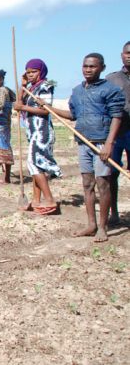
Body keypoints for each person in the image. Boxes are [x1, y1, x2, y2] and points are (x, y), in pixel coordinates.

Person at [41, 53, 124, 242]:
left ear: (102, 68)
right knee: (87, 184)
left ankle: (103, 227)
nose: (88, 69)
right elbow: (72, 115)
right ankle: (91, 224)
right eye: (85, 66)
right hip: (83, 142)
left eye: (93, 66)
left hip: (101, 142)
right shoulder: (77, 91)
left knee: (103, 184)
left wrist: (109, 144)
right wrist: (49, 108)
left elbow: (117, 117)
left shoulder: (110, 90)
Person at [14, 59, 61, 215]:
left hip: (42, 131)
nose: (31, 75)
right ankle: (36, 200)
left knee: (34, 164)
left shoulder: (46, 87)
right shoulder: (31, 88)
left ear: (41, 72)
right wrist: (23, 86)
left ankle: (49, 199)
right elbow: (18, 104)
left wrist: (24, 107)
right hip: (32, 130)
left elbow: (46, 110)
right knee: (36, 166)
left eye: (34, 72)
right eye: (28, 72)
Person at [106, 40, 130, 226]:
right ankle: (113, 211)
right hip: (116, 133)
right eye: (127, 53)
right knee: (112, 172)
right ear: (122, 55)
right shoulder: (112, 79)